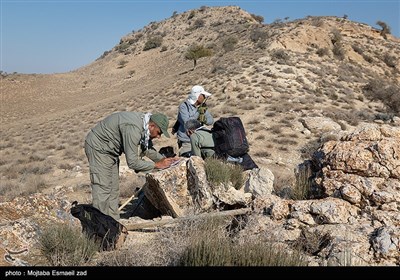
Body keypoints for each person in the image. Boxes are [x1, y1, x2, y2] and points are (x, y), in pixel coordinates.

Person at [84, 111, 178, 220]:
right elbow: (132, 162)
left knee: (113, 190)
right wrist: (157, 165)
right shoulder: (133, 129)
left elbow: (146, 149)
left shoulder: (144, 126)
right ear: (152, 126)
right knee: (103, 188)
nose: (158, 136)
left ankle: (113, 223)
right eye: (159, 132)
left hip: (111, 152)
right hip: (98, 149)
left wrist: (165, 160)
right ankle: (100, 227)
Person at [185, 118, 259, 171]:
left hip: (218, 158)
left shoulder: (194, 136)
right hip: (228, 151)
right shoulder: (207, 130)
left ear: (189, 131)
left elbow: (196, 158)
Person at [175, 85, 214, 157]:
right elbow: (187, 122)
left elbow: (211, 121)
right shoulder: (184, 106)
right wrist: (198, 115)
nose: (204, 97)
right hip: (187, 141)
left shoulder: (203, 107)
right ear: (198, 96)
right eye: (203, 95)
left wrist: (204, 119)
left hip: (200, 139)